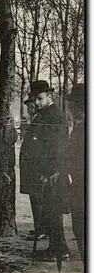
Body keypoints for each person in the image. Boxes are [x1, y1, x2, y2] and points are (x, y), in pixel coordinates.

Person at [31, 80, 70, 262]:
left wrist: (54, 171)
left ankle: (60, 250)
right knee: (49, 210)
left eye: (40, 98)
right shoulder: (44, 114)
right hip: (44, 172)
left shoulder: (56, 116)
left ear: (49, 96)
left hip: (53, 173)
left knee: (53, 211)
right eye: (35, 99)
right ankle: (56, 248)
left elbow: (60, 147)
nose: (37, 103)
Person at [20, 96, 46, 241]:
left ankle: (41, 229)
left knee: (37, 199)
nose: (28, 110)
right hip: (31, 168)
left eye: (29, 107)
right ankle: (39, 227)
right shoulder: (35, 120)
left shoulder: (39, 120)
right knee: (35, 199)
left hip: (35, 168)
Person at [63, 83, 85, 262]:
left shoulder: (82, 129)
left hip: (81, 189)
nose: (69, 109)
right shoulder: (80, 127)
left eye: (72, 105)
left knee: (81, 228)